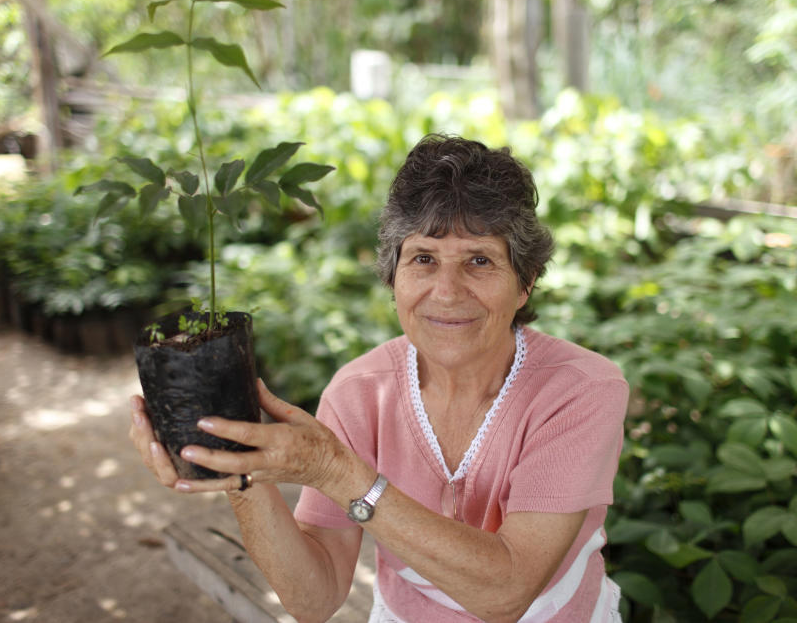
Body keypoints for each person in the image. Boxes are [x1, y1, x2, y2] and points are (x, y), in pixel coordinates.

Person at [130, 133, 629, 622]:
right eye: (423, 259)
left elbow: (506, 593)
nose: (447, 292)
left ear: (526, 282)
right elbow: (315, 598)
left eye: (479, 260)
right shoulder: (359, 393)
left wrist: (334, 470)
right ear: (394, 278)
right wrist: (241, 467)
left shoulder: (582, 391)